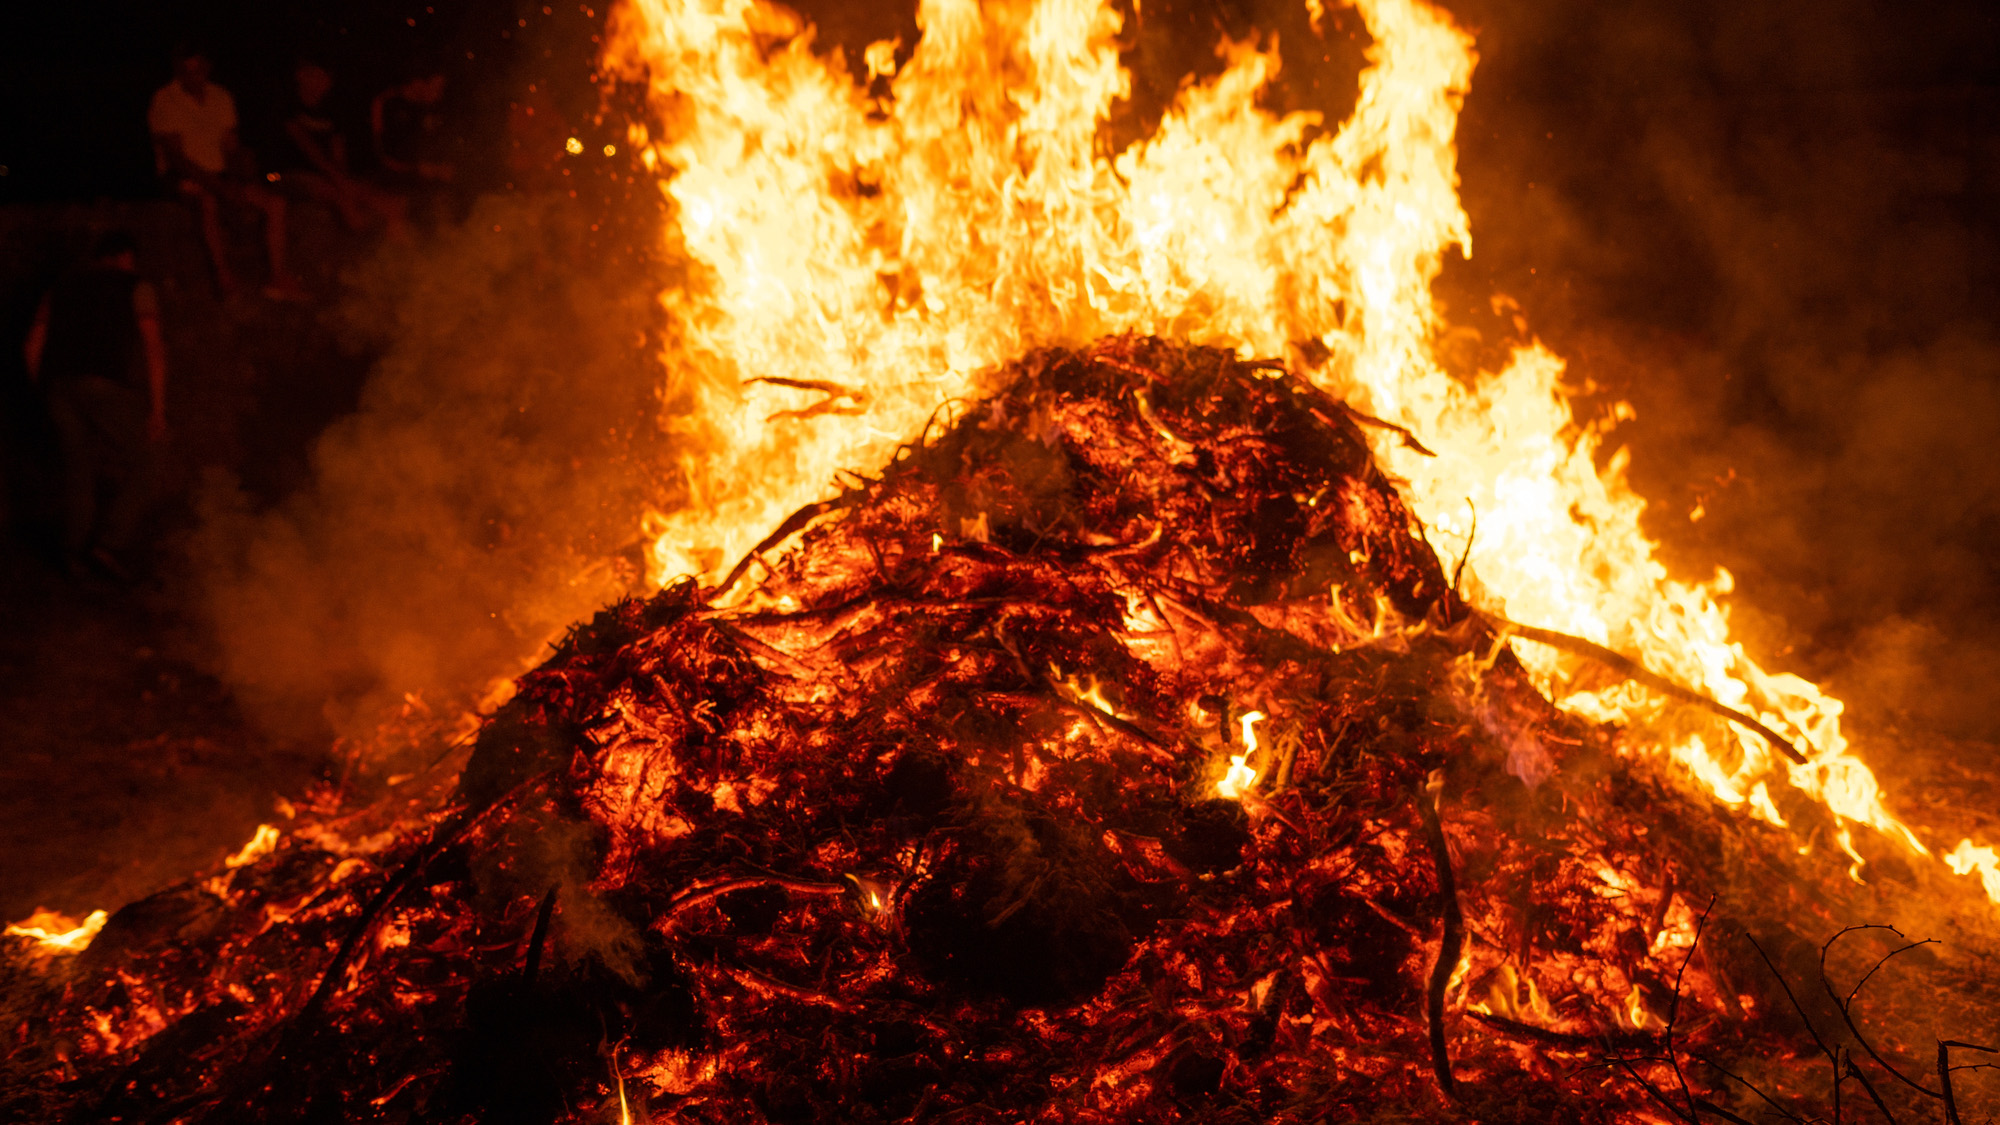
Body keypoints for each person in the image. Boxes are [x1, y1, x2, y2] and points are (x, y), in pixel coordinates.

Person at [22, 232, 169, 579]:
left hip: (60, 388)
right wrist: (157, 409)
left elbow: (31, 344)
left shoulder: (59, 288)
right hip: (105, 387)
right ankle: (108, 545)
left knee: (78, 472)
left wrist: (43, 392)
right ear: (122, 258)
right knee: (152, 457)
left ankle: (74, 556)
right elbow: (153, 348)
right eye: (130, 260)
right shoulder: (136, 286)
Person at [148, 44, 305, 300]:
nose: (193, 76)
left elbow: (230, 147)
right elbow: (176, 159)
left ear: (207, 67)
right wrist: (220, 188)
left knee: (275, 202)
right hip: (182, 176)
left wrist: (237, 179)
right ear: (178, 70)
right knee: (207, 201)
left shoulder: (221, 97)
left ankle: (277, 276)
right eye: (187, 70)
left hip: (219, 173)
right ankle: (224, 278)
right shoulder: (165, 100)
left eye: (198, 69)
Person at [276, 61, 406, 236]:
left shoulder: (332, 110)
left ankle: (399, 244)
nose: (324, 82)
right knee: (343, 199)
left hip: (327, 173)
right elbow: (309, 149)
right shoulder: (288, 106)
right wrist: (339, 180)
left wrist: (344, 178)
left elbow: (338, 151)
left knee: (381, 199)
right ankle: (365, 241)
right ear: (301, 75)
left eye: (326, 77)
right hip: (285, 174)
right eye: (317, 75)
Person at [371, 62, 459, 223]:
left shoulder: (430, 108)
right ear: (418, 83)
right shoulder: (386, 103)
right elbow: (382, 155)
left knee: (450, 197)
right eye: (436, 87)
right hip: (392, 177)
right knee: (401, 207)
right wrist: (418, 169)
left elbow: (437, 146)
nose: (439, 94)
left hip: (420, 177)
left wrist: (442, 167)